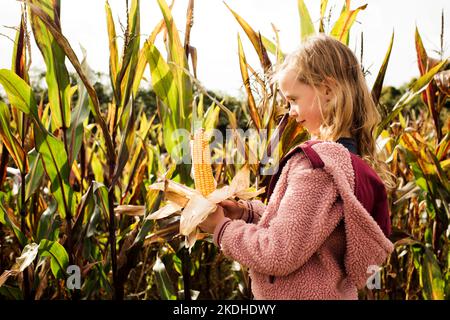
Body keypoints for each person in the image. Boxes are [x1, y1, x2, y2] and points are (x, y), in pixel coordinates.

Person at [199, 34, 395, 300]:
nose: (290, 111)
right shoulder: (344, 162)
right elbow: (306, 230)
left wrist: (221, 228)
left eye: (293, 99)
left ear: (327, 90)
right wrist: (246, 213)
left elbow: (279, 252)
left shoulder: (317, 166)